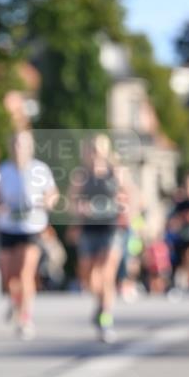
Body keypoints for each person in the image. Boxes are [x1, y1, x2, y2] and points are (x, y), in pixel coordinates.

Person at [0, 130, 59, 339]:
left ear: (29, 147)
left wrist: (47, 202)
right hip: (8, 227)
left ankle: (25, 317)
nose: (18, 149)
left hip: (32, 227)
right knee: (10, 277)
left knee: (25, 273)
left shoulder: (40, 169)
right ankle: (15, 302)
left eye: (22, 145)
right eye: (14, 144)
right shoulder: (2, 170)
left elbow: (53, 193)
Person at [69, 134, 128, 342]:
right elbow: (72, 201)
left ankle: (106, 317)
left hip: (111, 228)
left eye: (99, 149)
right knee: (90, 278)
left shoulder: (116, 173)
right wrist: (79, 210)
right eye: (92, 149)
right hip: (88, 229)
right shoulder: (81, 175)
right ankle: (100, 305)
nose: (95, 154)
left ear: (106, 151)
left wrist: (122, 204)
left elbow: (129, 196)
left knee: (106, 273)